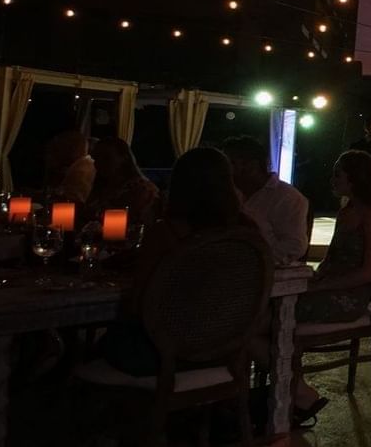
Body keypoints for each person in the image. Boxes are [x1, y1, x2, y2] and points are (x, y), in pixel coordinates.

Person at [100, 147, 266, 378]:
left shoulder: (165, 233)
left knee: (90, 346)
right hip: (224, 348)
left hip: (161, 355)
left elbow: (140, 304)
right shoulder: (247, 231)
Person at [293, 150, 371, 422]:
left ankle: (294, 390)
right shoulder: (348, 210)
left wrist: (319, 286)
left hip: (349, 297)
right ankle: (291, 387)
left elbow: (369, 272)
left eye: (338, 174)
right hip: (331, 287)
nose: (332, 180)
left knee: (274, 317)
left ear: (355, 179)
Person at [221, 136, 309, 265]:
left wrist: (253, 261)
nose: (224, 172)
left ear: (251, 166)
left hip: (265, 274)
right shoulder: (230, 194)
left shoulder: (286, 197)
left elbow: (294, 246)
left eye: (230, 164)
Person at [88, 137, 159, 224]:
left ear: (124, 158)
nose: (99, 162)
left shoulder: (141, 189)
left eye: (106, 158)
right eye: (96, 158)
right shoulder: (102, 186)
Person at [45, 129, 96, 203]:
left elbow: (71, 199)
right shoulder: (81, 166)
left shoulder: (81, 171)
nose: (50, 154)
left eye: (57, 148)